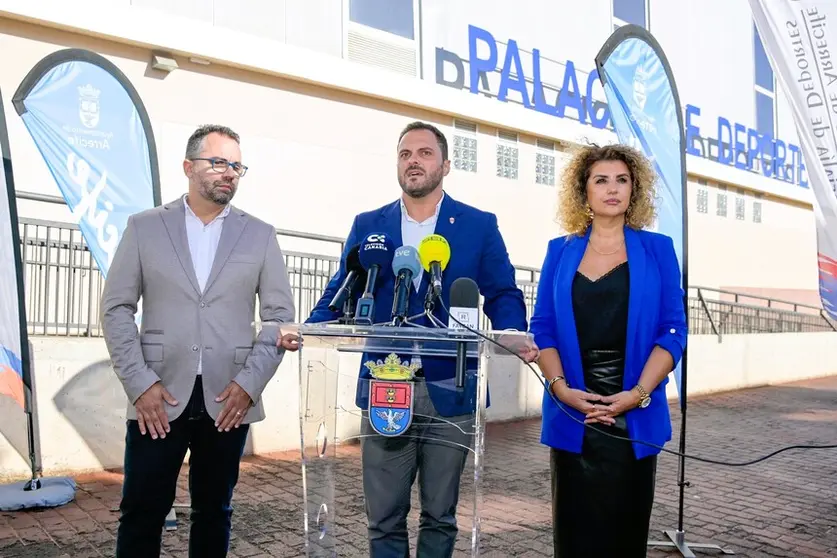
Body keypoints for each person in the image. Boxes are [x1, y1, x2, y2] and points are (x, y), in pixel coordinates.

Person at [303, 121, 537, 557]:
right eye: (405, 153)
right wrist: (310, 328)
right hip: (385, 383)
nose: (413, 160)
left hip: (452, 386)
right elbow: (344, 287)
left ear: (445, 165)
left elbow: (503, 291)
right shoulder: (369, 224)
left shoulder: (477, 225)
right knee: (384, 516)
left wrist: (513, 332)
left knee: (440, 515)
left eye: (424, 153)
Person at [101, 124, 298, 558]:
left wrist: (249, 385)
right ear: (189, 167)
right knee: (141, 511)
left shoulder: (260, 234)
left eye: (236, 165)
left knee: (214, 512)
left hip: (228, 399)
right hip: (157, 397)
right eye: (218, 162)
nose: (228, 172)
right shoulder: (145, 227)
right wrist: (139, 384)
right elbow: (116, 309)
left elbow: (280, 319)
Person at [528, 144, 687, 557]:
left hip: (633, 412)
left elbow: (673, 332)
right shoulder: (558, 251)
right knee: (574, 538)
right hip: (572, 410)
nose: (612, 188)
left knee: (624, 538)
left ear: (634, 190)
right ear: (584, 192)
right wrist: (561, 389)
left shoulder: (658, 250)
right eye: (601, 180)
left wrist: (635, 395)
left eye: (622, 180)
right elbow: (542, 328)